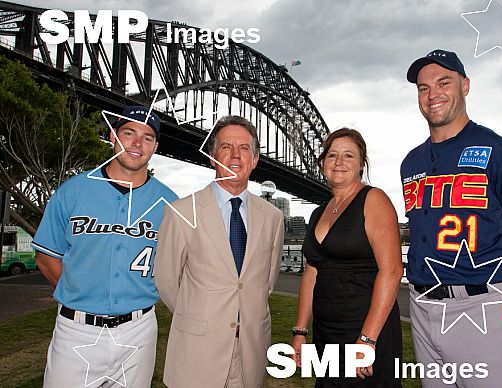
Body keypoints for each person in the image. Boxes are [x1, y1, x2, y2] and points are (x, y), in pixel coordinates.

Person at [402, 49, 502, 387]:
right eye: (423, 88)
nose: (433, 94)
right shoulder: (411, 162)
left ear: (465, 86)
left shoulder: (501, 152)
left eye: (444, 83)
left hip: (480, 306)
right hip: (422, 304)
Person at [32, 105, 178, 387]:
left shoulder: (170, 202)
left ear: (155, 147)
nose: (137, 143)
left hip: (139, 329)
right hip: (76, 330)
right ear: (113, 136)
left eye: (147, 137)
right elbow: (47, 257)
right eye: (129, 133)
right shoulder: (73, 190)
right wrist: (82, 294)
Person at [155, 115, 284, 388]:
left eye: (245, 148)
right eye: (226, 147)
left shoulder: (272, 217)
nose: (236, 155)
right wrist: (200, 316)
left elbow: (266, 282)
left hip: (250, 349)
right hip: (199, 351)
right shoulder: (180, 212)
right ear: (212, 157)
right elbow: (166, 281)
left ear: (255, 159)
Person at [292, 128, 403, 387]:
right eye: (332, 155)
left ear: (362, 164)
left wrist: (367, 340)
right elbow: (311, 274)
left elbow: (393, 271)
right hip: (327, 334)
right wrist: (299, 331)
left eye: (348, 156)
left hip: (364, 330)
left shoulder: (373, 200)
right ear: (322, 163)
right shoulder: (319, 213)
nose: (339, 162)